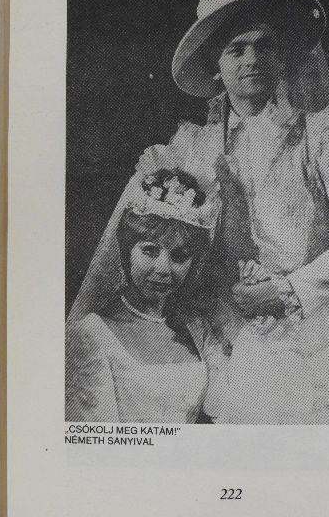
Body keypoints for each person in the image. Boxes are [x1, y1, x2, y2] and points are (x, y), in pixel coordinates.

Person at [138, 0, 329, 424]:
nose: (252, 59)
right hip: (224, 343)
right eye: (236, 49)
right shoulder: (193, 148)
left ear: (282, 56)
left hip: (312, 341)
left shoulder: (324, 132)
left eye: (264, 46)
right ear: (216, 67)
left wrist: (284, 291)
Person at [65, 168, 222, 423]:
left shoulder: (197, 327)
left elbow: (225, 406)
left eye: (179, 256)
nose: (163, 269)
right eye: (150, 251)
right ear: (126, 250)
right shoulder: (90, 333)